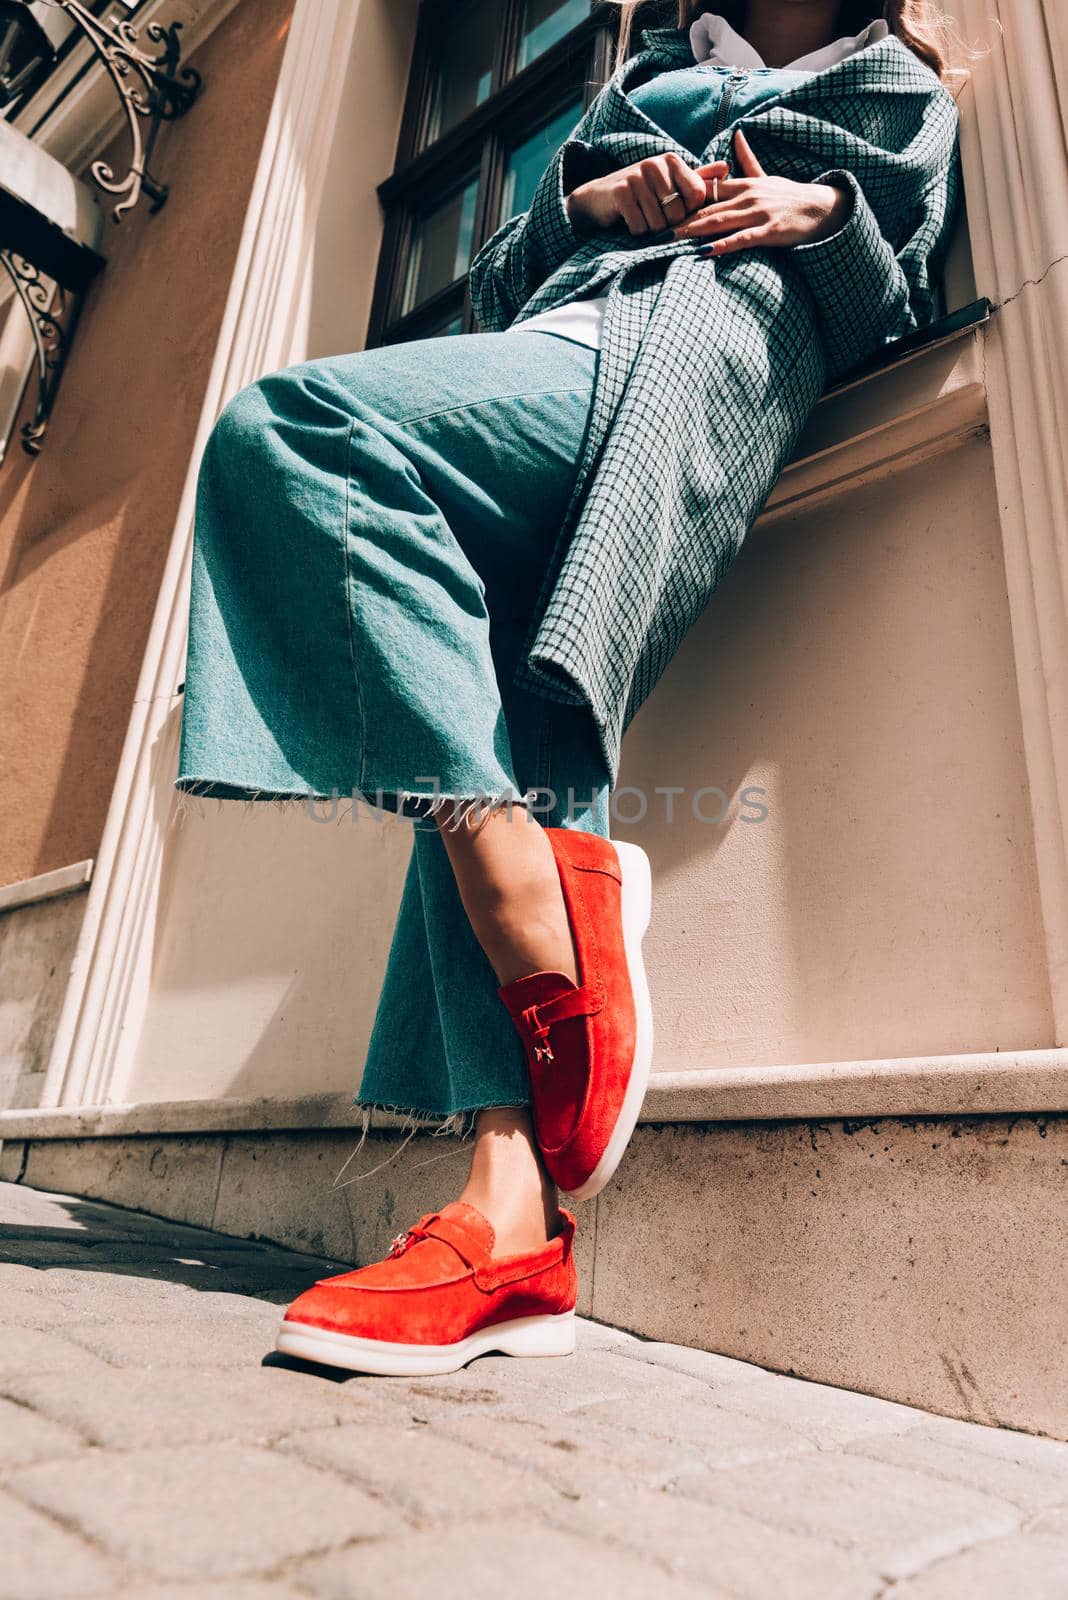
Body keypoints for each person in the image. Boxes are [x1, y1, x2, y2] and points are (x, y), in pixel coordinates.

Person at [175, 1, 961, 1375]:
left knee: (340, 493)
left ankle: (513, 1053)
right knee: (412, 597)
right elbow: (503, 280)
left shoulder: (896, 88)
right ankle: (516, 1116)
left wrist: (813, 213)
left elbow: (892, 290)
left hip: (699, 369)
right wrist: (594, 196)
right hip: (567, 352)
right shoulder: (644, 76)